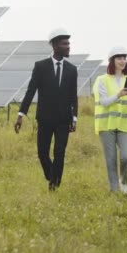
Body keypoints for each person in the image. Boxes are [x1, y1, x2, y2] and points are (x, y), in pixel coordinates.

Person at [15, 28, 78, 191]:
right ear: (55, 45)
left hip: (64, 120)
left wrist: (74, 118)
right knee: (42, 152)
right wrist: (21, 114)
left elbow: (73, 96)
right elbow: (30, 91)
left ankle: (54, 184)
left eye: (69, 43)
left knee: (59, 152)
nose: (68, 47)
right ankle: (51, 174)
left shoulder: (72, 70)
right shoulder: (41, 66)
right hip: (44, 119)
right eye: (65, 44)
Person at [92, 46, 127, 194]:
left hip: (124, 125)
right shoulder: (101, 80)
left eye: (124, 58)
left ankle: (124, 181)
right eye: (119, 58)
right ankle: (114, 190)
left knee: (126, 157)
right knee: (111, 159)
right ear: (112, 61)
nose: (123, 61)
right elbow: (104, 102)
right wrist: (119, 95)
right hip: (106, 125)